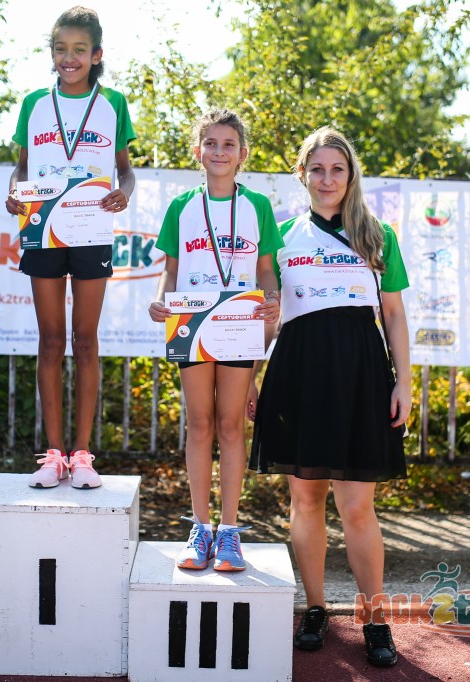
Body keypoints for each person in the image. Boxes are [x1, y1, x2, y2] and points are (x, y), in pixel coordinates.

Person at [248, 126, 412, 667]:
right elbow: (265, 316)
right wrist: (250, 376)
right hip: (298, 371)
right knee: (306, 499)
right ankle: (315, 608)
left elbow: (393, 315)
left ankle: (375, 616)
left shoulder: (377, 236)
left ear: (350, 174)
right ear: (302, 174)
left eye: (337, 169)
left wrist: (404, 381)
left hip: (361, 373)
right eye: (316, 169)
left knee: (357, 504)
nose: (327, 179)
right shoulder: (281, 237)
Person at [4, 6, 136, 490]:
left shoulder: (113, 103)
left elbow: (125, 170)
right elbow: (22, 167)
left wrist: (124, 192)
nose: (69, 58)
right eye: (61, 49)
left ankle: (82, 454)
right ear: (52, 53)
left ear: (96, 54)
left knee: (85, 340)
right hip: (43, 227)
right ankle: (53, 454)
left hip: (91, 228)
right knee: (50, 340)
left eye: (79, 50)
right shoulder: (35, 103)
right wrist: (15, 190)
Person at [148, 109, 281, 571]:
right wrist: (160, 301)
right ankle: (199, 528)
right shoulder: (181, 207)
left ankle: (228, 532)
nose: (219, 151)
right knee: (200, 424)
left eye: (228, 144)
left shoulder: (257, 206)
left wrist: (272, 300)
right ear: (197, 150)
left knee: (231, 425)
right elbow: (170, 271)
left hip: (239, 325)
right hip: (192, 323)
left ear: (243, 154)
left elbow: (266, 270)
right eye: (211, 143)